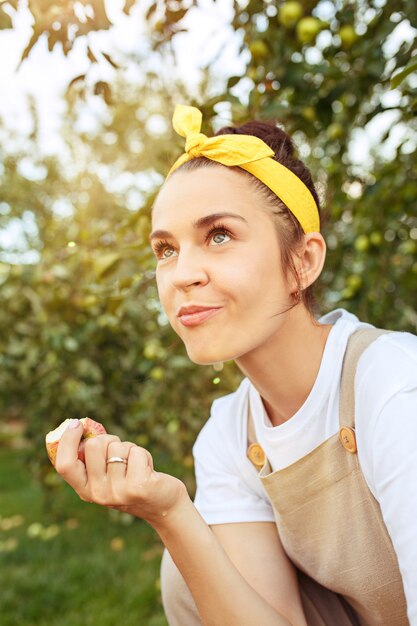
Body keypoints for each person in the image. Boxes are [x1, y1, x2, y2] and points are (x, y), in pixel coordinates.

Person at [55, 104, 417, 626]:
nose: (181, 274)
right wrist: (171, 513)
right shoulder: (230, 431)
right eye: (165, 250)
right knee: (193, 562)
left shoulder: (394, 385)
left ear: (303, 261)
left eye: (219, 235)